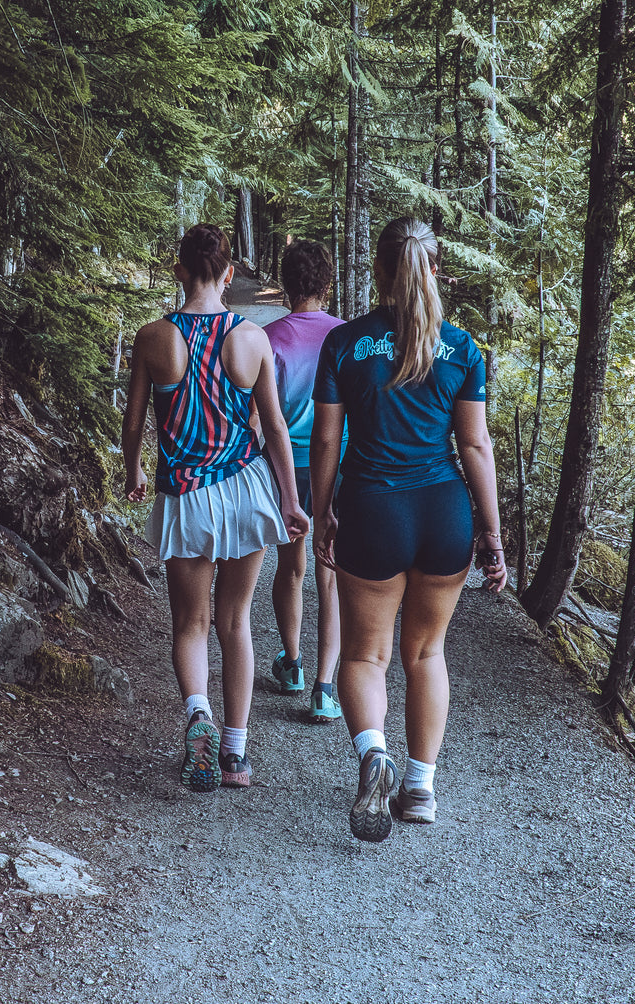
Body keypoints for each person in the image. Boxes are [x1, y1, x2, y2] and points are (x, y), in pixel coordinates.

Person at [310, 216, 507, 842]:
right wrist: (492, 535)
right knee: (427, 654)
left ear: (380, 270)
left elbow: (327, 441)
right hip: (444, 513)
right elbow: (474, 447)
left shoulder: (345, 344)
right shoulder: (463, 348)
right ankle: (420, 787)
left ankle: (375, 754)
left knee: (364, 655)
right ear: (435, 269)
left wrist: (323, 513)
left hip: (373, 511)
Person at [122, 224, 309, 792]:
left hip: (187, 496)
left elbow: (134, 422)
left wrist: (133, 472)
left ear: (180, 271)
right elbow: (274, 428)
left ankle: (198, 712)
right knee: (235, 621)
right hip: (246, 489)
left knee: (190, 622)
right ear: (229, 274)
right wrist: (291, 500)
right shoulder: (251, 339)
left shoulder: (154, 337)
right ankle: (234, 754)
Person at [262, 241, 345, 722]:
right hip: (338, 464)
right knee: (329, 572)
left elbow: (260, 418)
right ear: (326, 284)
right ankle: (324, 688)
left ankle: (292, 664)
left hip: (287, 466)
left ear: (287, 283)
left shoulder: (269, 338)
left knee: (291, 566)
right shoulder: (347, 336)